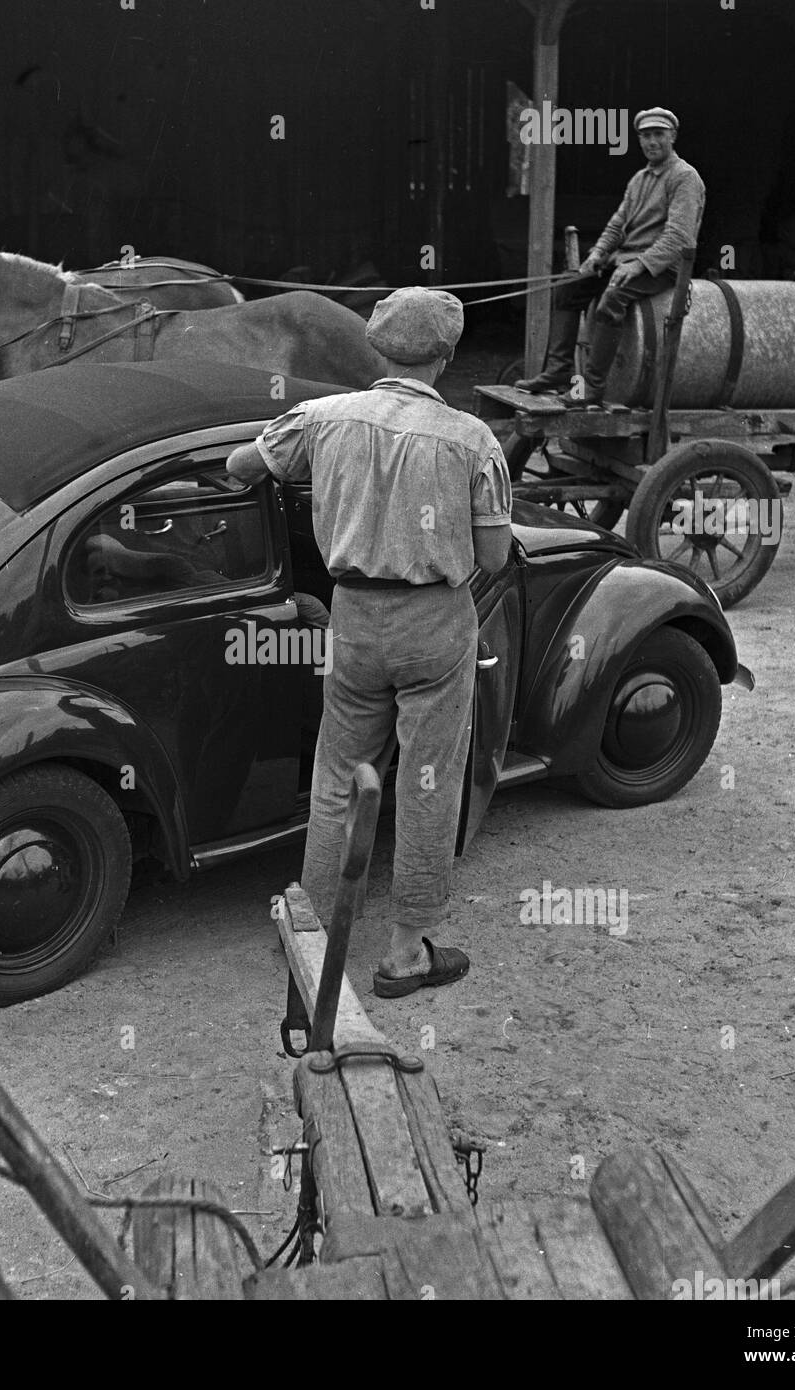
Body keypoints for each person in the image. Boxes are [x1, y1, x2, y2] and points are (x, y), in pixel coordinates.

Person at [225, 286, 512, 997]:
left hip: (353, 618)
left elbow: (239, 466)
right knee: (427, 784)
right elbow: (498, 557)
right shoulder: (473, 440)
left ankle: (312, 932)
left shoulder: (322, 418)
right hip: (435, 624)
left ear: (377, 348)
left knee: (337, 781)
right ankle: (405, 954)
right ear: (446, 357)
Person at [517, 106, 705, 407]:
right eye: (645, 136)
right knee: (569, 286)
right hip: (626, 260)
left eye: (658, 134)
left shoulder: (684, 178)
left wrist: (639, 264)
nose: (651, 142)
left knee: (611, 300)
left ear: (673, 136)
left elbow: (680, 237)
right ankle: (557, 371)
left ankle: (592, 386)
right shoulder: (639, 179)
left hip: (665, 267)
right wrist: (598, 254)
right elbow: (617, 224)